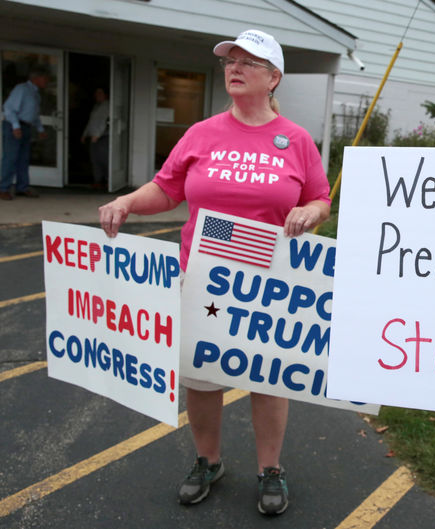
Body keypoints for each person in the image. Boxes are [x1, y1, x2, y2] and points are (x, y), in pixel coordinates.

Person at [98, 29, 331, 515]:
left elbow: (319, 198)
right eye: (231, 60)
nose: (235, 67)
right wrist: (126, 202)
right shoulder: (201, 134)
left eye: (249, 61)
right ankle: (208, 461)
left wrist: (312, 213)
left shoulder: (297, 139)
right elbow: (166, 191)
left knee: (268, 380)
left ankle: (271, 469)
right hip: (202, 278)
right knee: (201, 377)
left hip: (269, 282)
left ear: (274, 78)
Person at [1, 67, 49, 200]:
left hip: (26, 127)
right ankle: (3, 188)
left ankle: (22, 187)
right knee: (11, 158)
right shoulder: (22, 89)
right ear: (36, 78)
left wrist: (40, 130)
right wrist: (16, 127)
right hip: (14, 125)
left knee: (23, 159)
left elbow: (34, 115)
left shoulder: (36, 94)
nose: (47, 81)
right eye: (45, 78)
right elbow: (9, 108)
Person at [81, 87, 110, 189]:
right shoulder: (96, 106)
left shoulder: (107, 106)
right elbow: (91, 121)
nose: (97, 95)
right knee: (95, 159)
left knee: (104, 159)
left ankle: (107, 180)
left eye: (100, 93)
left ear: (106, 95)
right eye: (96, 93)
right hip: (93, 137)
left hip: (102, 137)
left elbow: (105, 122)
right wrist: (85, 134)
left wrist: (97, 135)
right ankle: (97, 180)